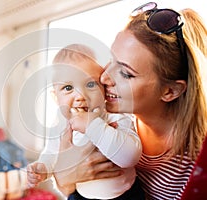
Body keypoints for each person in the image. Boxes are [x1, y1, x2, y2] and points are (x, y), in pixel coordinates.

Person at [53, 2, 207, 200]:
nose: (104, 78)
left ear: (170, 91)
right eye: (110, 61)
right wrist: (64, 181)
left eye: (125, 74)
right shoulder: (112, 124)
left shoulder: (197, 161)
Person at [27, 44, 144, 199]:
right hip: (82, 196)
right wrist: (43, 168)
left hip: (125, 195)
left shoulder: (115, 117)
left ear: (104, 89)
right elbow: (52, 154)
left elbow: (130, 157)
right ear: (55, 97)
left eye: (90, 84)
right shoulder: (60, 126)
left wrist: (93, 125)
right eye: (68, 87)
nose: (80, 95)